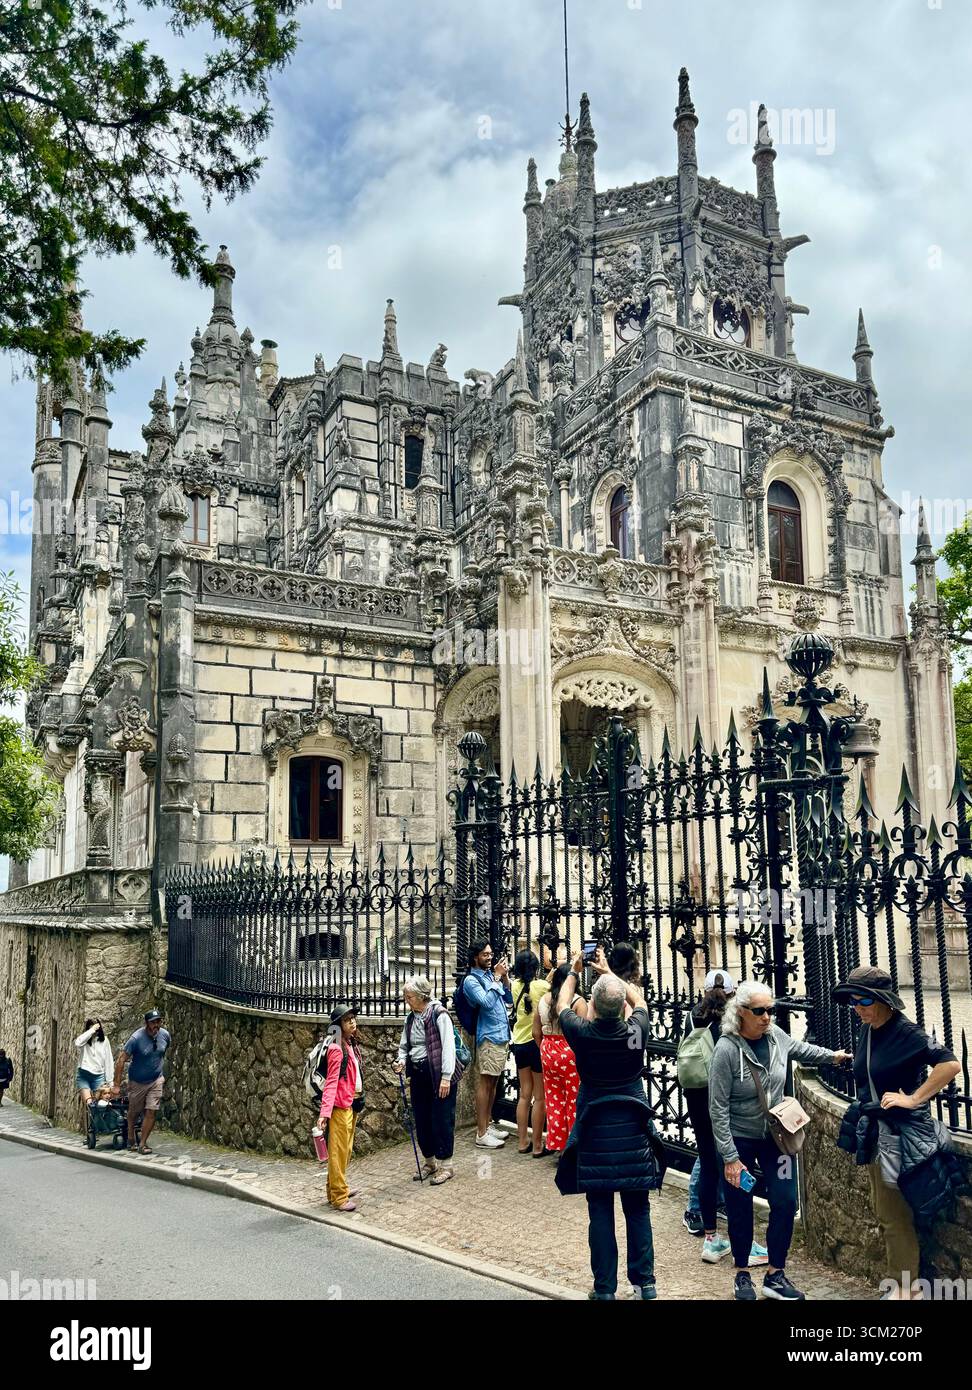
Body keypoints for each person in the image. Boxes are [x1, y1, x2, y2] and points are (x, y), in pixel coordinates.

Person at [708, 980, 852, 1301]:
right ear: (741, 1012)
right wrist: (730, 1157)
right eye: (759, 1011)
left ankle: (776, 1274)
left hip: (777, 1137)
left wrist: (835, 1057)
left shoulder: (776, 1037)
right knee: (741, 1206)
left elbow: (802, 1050)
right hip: (740, 1141)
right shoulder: (726, 1050)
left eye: (771, 1010)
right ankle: (742, 1273)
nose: (767, 1017)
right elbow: (716, 1108)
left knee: (786, 1201)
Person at [833, 965, 962, 1300]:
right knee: (886, 1209)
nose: (856, 1007)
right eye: (852, 1000)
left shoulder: (906, 1032)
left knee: (893, 1213)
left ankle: (906, 1287)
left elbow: (950, 1063)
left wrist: (914, 1098)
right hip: (877, 1132)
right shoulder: (870, 1027)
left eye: (862, 1000)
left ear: (883, 1001)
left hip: (899, 1136)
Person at [554, 949, 664, 1301]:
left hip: (596, 1132)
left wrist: (574, 971)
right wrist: (613, 977)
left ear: (596, 1008)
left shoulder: (583, 1033)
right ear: (620, 1009)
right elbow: (642, 1000)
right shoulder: (635, 1033)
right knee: (638, 1209)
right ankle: (645, 1284)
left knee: (599, 1210)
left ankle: (604, 1290)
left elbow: (561, 1006)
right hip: (632, 1132)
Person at [393, 975, 460, 1185]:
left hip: (439, 1074)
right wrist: (401, 1061)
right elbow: (405, 1046)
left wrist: (446, 1078)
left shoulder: (439, 1014)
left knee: (441, 1119)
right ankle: (430, 1162)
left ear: (421, 996)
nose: (406, 1000)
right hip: (419, 1074)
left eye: (409, 996)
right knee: (422, 1119)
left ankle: (446, 1165)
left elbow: (448, 1047)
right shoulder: (411, 1017)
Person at [460, 939, 512, 1149]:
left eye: (490, 954)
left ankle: (487, 1124)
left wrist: (504, 977)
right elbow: (487, 1003)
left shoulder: (491, 975)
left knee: (493, 1084)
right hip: (489, 1037)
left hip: (500, 1035)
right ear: (475, 957)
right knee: (485, 1083)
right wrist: (497, 977)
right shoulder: (471, 981)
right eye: (485, 955)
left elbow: (507, 998)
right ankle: (481, 1133)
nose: (489, 958)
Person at [534, 962, 586, 1153]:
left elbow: (535, 1032)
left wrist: (546, 1049)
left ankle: (558, 1145)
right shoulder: (578, 1001)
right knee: (573, 1100)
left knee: (554, 1099)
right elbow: (584, 1032)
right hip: (570, 1050)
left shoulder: (543, 1000)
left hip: (548, 1050)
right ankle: (573, 1147)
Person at [319, 1003, 364, 1212]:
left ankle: (335, 1188)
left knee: (344, 1151)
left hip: (349, 1104)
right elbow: (330, 1083)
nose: (352, 1022)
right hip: (339, 1108)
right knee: (338, 1152)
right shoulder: (337, 1049)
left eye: (353, 1018)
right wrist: (325, 1114)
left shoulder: (349, 1043)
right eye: (347, 1020)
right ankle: (338, 1197)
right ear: (338, 1025)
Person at [111, 1009, 171, 1154]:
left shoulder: (165, 1035)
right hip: (137, 1081)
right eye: (153, 1022)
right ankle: (130, 1134)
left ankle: (142, 1144)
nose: (156, 1025)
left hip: (156, 1079)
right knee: (134, 1111)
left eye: (158, 1021)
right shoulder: (136, 1039)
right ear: (146, 1023)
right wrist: (117, 1085)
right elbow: (121, 1060)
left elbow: (163, 1051)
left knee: (151, 1110)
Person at [510, 950, 549, 1155]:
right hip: (536, 1042)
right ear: (535, 968)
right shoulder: (541, 986)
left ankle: (522, 1142)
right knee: (539, 1097)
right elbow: (553, 991)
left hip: (519, 1043)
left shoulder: (514, 986)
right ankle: (538, 1145)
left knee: (524, 1095)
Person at [74, 1018, 114, 1109]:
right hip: (84, 1075)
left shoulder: (105, 1041)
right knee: (90, 1105)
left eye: (97, 1029)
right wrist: (91, 1030)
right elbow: (78, 1043)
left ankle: (97, 1123)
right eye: (92, 1029)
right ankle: (90, 1122)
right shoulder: (84, 1041)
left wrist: (110, 1082)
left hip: (99, 1076)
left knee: (100, 1105)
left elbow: (109, 1061)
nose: (95, 1032)